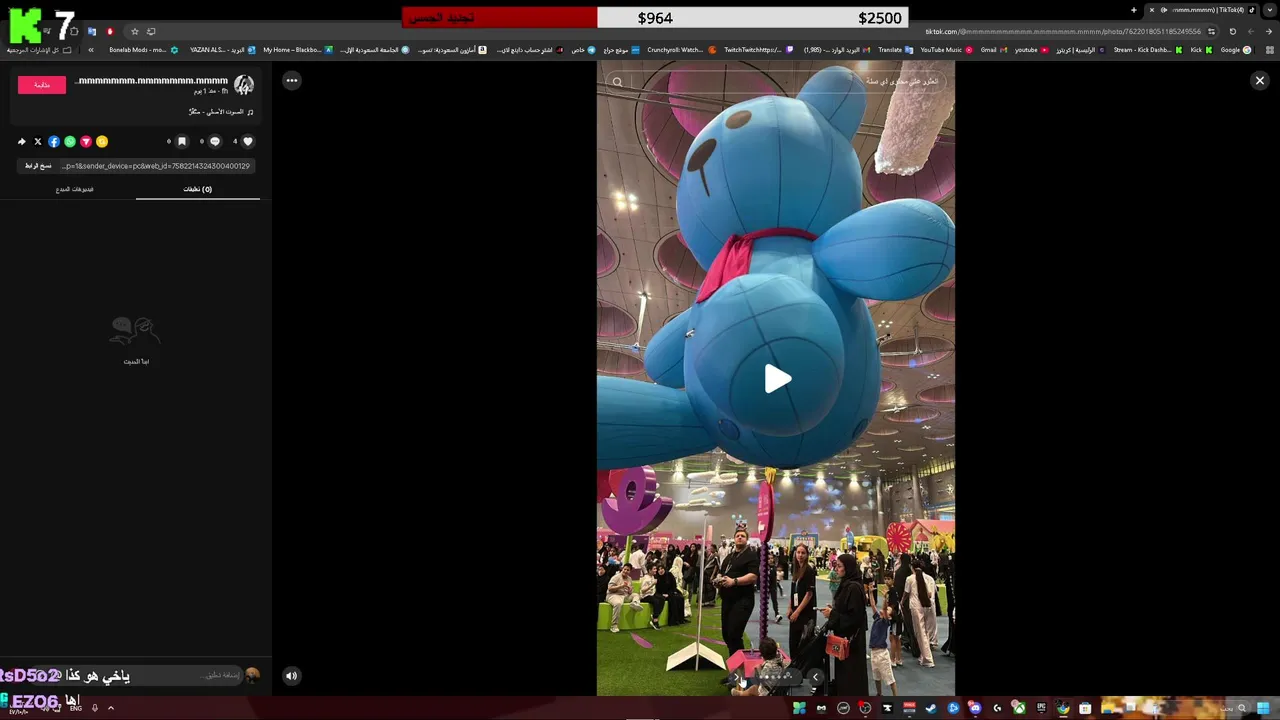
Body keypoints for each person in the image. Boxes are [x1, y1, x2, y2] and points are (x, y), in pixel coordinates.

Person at [713, 525, 759, 684]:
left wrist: (735, 581)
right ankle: (735, 672)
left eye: (743, 536)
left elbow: (753, 576)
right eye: (737, 535)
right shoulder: (729, 556)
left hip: (743, 600)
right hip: (727, 600)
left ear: (747, 539)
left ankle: (740, 675)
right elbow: (722, 572)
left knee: (734, 634)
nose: (740, 537)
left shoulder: (751, 555)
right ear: (734, 538)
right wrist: (718, 580)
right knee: (727, 635)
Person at [820, 553, 869, 696]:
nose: (837, 569)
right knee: (844, 672)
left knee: (850, 675)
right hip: (844, 640)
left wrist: (833, 615)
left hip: (851, 642)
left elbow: (854, 618)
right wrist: (834, 610)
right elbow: (846, 609)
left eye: (840, 566)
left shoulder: (853, 587)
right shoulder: (847, 584)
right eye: (836, 566)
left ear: (848, 568)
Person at [902, 561, 936, 667]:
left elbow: (906, 593)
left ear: (912, 567)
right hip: (926, 605)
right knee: (925, 632)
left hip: (916, 606)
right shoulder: (927, 578)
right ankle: (923, 656)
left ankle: (927, 659)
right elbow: (930, 594)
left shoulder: (910, 579)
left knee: (920, 633)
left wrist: (902, 602)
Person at [787, 543, 817, 660]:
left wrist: (797, 611)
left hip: (805, 612)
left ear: (807, 555)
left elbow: (809, 594)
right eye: (798, 552)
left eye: (803, 553)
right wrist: (790, 607)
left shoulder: (809, 570)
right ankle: (794, 665)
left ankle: (801, 667)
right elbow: (793, 591)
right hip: (795, 610)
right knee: (793, 642)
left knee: (803, 644)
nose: (800, 555)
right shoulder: (796, 569)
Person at [868, 595, 897, 696]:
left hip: (882, 654)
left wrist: (885, 599)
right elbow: (872, 604)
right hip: (874, 652)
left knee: (889, 678)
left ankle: (896, 697)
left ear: (889, 617)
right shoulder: (877, 618)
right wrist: (870, 592)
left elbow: (884, 609)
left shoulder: (885, 622)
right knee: (876, 677)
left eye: (888, 610)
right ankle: (879, 694)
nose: (885, 610)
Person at [889, 552, 911, 667]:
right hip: (904, 605)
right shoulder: (909, 571)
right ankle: (898, 658)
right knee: (898, 636)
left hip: (897, 608)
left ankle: (893, 659)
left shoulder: (898, 572)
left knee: (894, 637)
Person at [606, 564, 642, 633]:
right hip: (613, 595)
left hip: (624, 595)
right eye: (624, 569)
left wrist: (630, 590)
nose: (625, 571)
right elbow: (610, 588)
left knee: (636, 595)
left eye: (627, 570)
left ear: (630, 571)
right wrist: (621, 586)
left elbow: (630, 592)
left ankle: (635, 603)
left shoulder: (629, 579)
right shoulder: (616, 577)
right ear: (622, 569)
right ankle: (614, 625)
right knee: (618, 603)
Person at [640, 563, 664, 630]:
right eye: (654, 569)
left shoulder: (653, 577)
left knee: (662, 598)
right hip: (645, 596)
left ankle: (655, 616)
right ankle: (655, 620)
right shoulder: (646, 578)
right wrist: (652, 585)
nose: (656, 570)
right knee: (656, 601)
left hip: (652, 594)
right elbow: (642, 591)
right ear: (649, 570)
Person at [768, 549, 783, 623]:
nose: (770, 560)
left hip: (773, 587)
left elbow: (774, 577)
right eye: (769, 558)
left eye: (771, 558)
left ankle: (777, 614)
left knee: (774, 601)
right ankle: (764, 614)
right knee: (765, 601)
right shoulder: (764, 568)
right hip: (766, 586)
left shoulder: (774, 567)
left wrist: (777, 584)